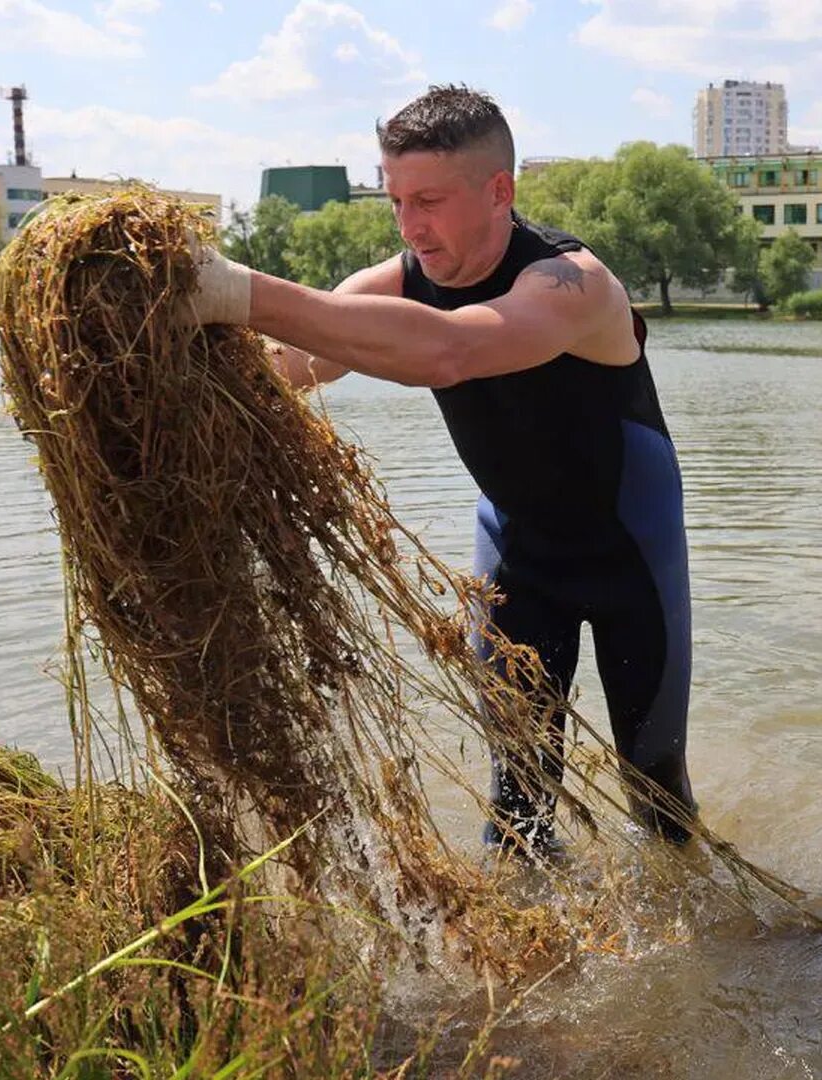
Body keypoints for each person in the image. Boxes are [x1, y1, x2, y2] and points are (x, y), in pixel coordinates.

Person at [181, 85, 696, 854]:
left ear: (499, 191)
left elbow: (449, 351)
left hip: (633, 561)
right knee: (517, 810)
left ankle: (713, 948)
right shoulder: (396, 281)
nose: (410, 225)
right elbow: (290, 362)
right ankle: (536, 954)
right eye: (396, 201)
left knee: (656, 797)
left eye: (429, 200)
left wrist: (237, 291)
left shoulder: (573, 282)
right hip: (517, 563)